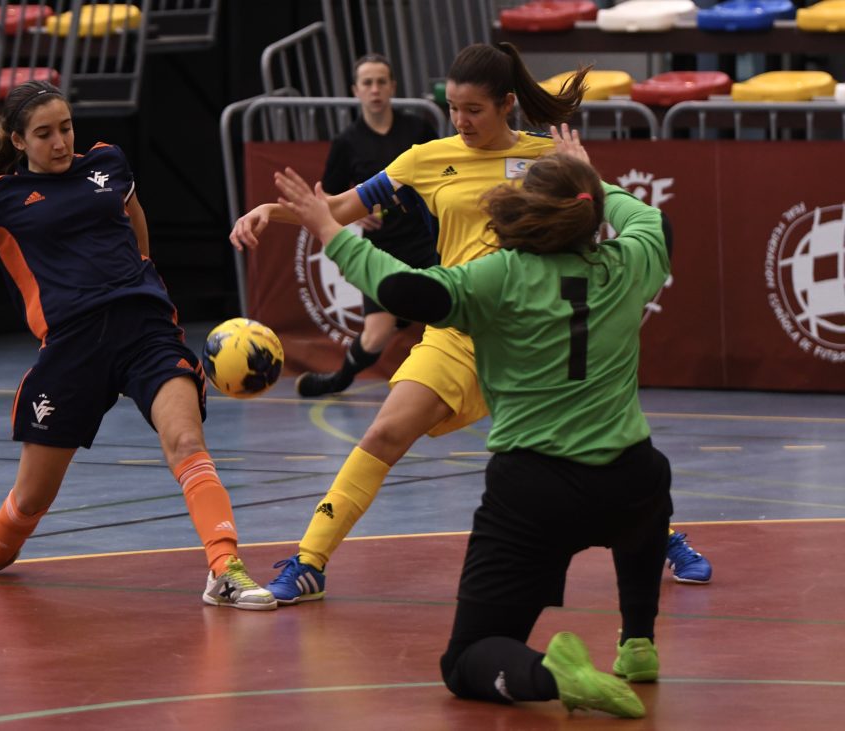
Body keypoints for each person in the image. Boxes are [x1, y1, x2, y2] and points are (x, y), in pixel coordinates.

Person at [233, 42, 712, 601]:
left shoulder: (546, 157)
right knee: (384, 432)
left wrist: (586, 177)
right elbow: (337, 210)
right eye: (453, 108)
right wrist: (275, 211)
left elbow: (599, 210)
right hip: (459, 330)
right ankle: (309, 561)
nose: (461, 121)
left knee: (589, 450)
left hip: (533, 334)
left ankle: (663, 537)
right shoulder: (424, 159)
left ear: (507, 103)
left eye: (474, 110)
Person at [272, 123, 669, 719]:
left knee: (466, 660)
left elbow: (402, 288)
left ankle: (550, 675)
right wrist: (590, 175)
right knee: (647, 494)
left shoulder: (502, 277)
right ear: (589, 210)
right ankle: (638, 642)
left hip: (537, 489)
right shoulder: (631, 262)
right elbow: (647, 220)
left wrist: (329, 229)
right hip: (631, 478)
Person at [0, 81, 275, 611]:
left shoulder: (108, 163)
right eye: (44, 134)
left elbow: (134, 220)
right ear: (20, 141)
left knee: (186, 443)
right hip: (72, 348)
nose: (60, 141)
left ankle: (225, 568)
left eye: (66, 127)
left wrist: (138, 278)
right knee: (31, 498)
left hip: (146, 330)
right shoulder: (2, 196)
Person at [294, 53, 439, 398]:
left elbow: (443, 172)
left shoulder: (418, 129)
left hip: (428, 243)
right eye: (367, 83)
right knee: (375, 334)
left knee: (459, 315)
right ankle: (340, 379)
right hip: (382, 249)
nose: (375, 90)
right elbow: (328, 195)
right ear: (356, 90)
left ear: (392, 87)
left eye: (381, 82)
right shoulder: (347, 142)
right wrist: (355, 212)